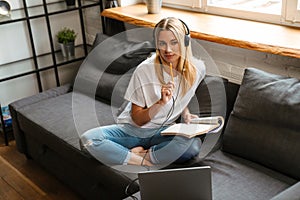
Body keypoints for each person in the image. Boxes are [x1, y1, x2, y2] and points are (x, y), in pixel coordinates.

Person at [80, 17, 206, 167]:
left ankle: (138, 153)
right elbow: (138, 119)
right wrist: (160, 103)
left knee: (192, 146)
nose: (168, 50)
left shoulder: (198, 69)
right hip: (134, 130)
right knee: (88, 140)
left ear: (185, 42)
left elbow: (182, 95)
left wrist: (185, 113)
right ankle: (144, 161)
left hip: (165, 131)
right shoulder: (144, 70)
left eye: (174, 42)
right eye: (162, 43)